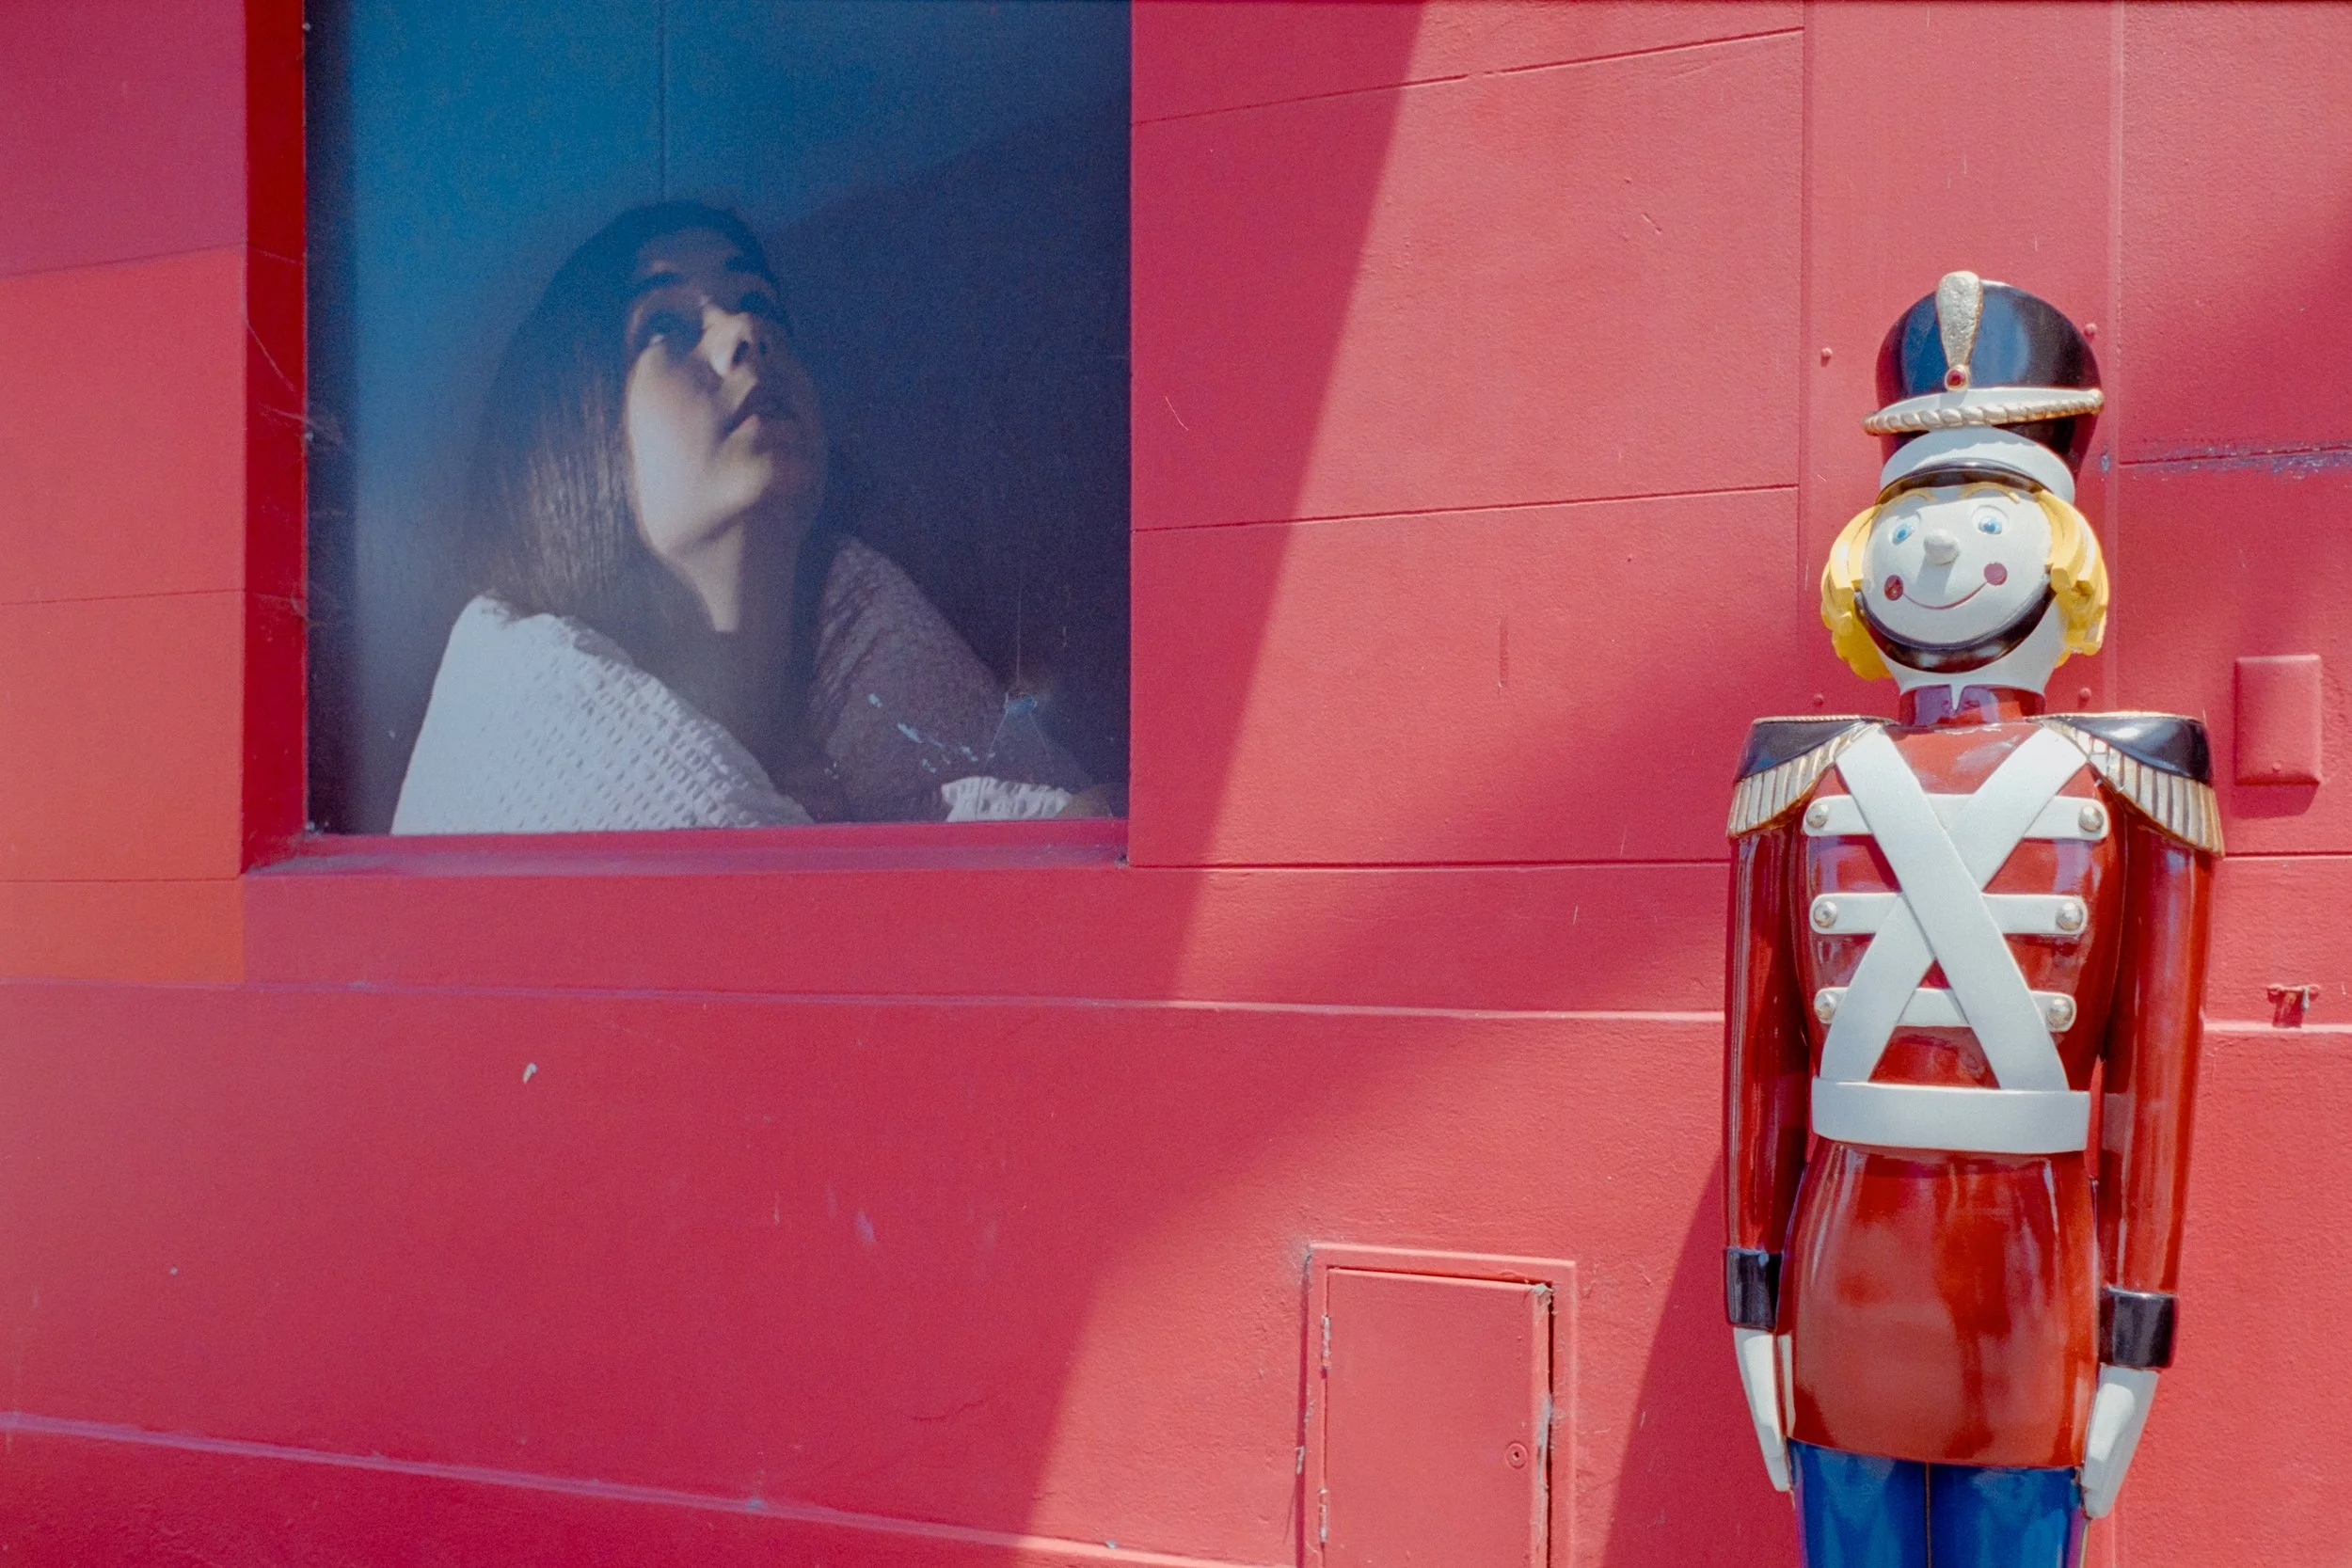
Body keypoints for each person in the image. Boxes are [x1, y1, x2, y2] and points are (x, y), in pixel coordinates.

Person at [393, 201, 1093, 833]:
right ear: (573, 432)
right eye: (665, 325)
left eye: (764, 306)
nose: (747, 331)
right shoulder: (517, 709)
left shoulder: (866, 636)